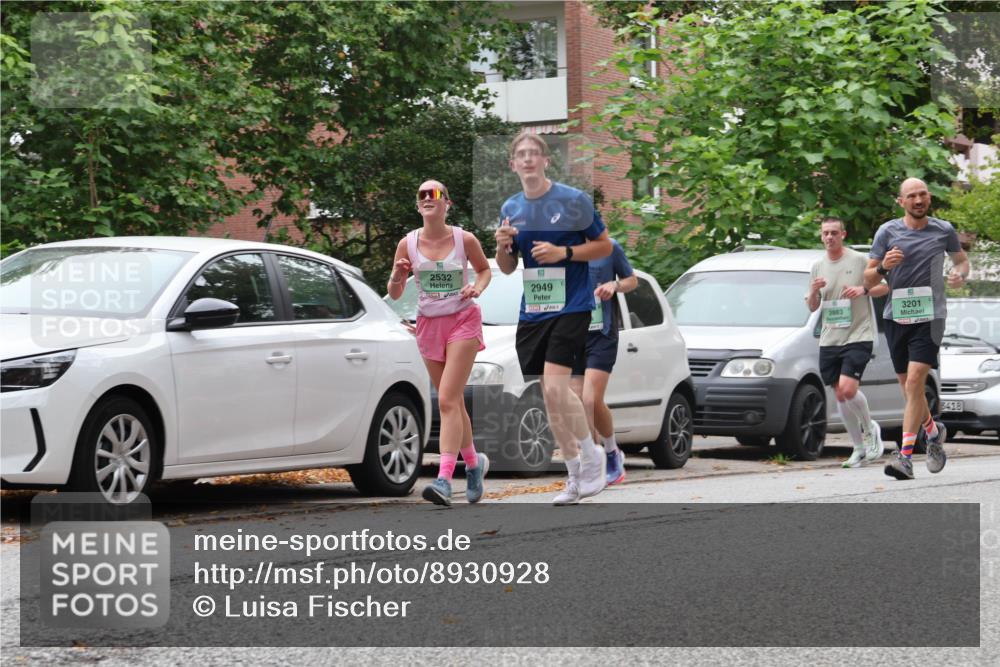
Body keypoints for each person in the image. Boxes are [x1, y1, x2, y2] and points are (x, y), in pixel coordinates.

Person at [495, 131, 613, 505]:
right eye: (521, 154)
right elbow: (508, 267)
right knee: (550, 398)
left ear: (546, 161)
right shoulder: (510, 208)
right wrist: (501, 247)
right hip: (534, 310)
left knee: (554, 388)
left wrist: (563, 252)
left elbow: (604, 245)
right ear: (513, 165)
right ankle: (577, 475)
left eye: (534, 153)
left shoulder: (573, 200)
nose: (528, 159)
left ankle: (591, 460)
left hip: (573, 305)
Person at [387, 180, 492, 505]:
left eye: (435, 194)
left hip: (463, 321)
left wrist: (476, 287)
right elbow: (394, 293)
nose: (428, 198)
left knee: (446, 399)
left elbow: (485, 270)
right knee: (455, 403)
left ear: (447, 202)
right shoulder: (407, 244)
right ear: (418, 206)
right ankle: (474, 465)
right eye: (422, 195)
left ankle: (444, 479)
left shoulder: (464, 239)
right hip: (429, 326)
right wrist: (398, 275)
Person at [864, 177, 970, 480]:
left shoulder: (943, 230)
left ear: (929, 198)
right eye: (912, 196)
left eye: (923, 194)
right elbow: (868, 279)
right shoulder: (887, 232)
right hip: (896, 316)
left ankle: (905, 456)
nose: (919, 199)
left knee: (914, 383)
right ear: (901, 202)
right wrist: (884, 266)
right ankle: (934, 432)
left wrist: (959, 275)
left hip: (930, 316)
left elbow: (962, 262)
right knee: (908, 388)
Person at [805, 217, 888, 468]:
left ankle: (870, 429)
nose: (829, 237)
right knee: (841, 396)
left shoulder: (859, 260)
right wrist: (815, 291)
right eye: (825, 233)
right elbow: (812, 306)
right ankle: (858, 448)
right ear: (821, 237)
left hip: (858, 334)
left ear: (843, 234)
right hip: (831, 337)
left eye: (834, 233)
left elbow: (884, 287)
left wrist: (862, 290)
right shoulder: (817, 266)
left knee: (849, 388)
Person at [571, 238, 638, 485]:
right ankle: (593, 461)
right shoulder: (559, 247)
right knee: (578, 401)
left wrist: (614, 284)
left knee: (591, 399)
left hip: (602, 333)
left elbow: (632, 281)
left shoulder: (609, 247)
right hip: (572, 333)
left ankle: (611, 452)